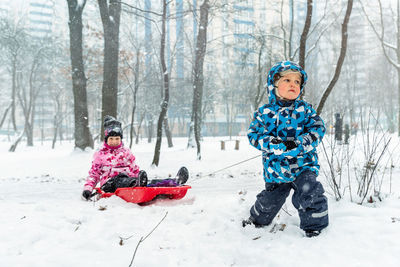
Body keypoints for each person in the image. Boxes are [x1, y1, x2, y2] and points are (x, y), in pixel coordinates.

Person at [243, 61, 328, 237]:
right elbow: (254, 135)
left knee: (310, 191)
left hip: (303, 165)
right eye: (287, 80)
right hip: (276, 168)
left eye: (297, 82)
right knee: (271, 200)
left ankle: (315, 225)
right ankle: (257, 219)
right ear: (273, 86)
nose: (293, 84)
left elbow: (318, 128)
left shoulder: (305, 110)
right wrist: (272, 143)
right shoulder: (265, 113)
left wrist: (301, 142)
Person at [82, 115, 189, 200]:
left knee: (146, 182)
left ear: (121, 139)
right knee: (120, 180)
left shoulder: (126, 152)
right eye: (111, 139)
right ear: (106, 139)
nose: (114, 142)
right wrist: (88, 189)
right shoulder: (100, 154)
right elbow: (94, 174)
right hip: (109, 185)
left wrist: (138, 177)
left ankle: (173, 182)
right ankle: (136, 183)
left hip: (129, 181)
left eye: (117, 139)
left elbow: (134, 170)